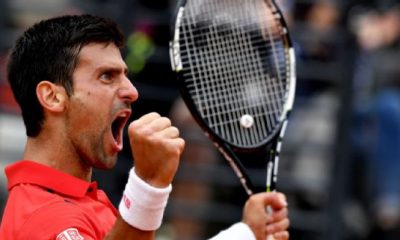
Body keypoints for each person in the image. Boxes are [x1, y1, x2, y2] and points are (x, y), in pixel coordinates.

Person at [0, 14, 289, 240]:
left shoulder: (78, 201)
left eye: (124, 75)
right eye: (106, 77)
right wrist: (148, 184)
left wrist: (247, 233)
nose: (131, 91)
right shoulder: (44, 217)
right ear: (53, 96)